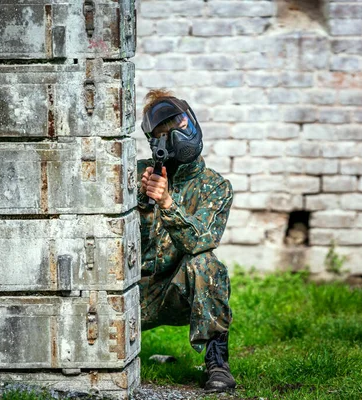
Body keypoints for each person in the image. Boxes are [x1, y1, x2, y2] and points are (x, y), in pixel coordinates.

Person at [136, 88, 236, 392]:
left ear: (191, 121)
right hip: (129, 295)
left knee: (208, 264)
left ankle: (217, 363)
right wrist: (137, 199)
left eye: (179, 125)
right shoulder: (135, 175)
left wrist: (166, 203)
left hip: (174, 291)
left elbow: (200, 243)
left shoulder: (216, 187)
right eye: (165, 133)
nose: (177, 136)